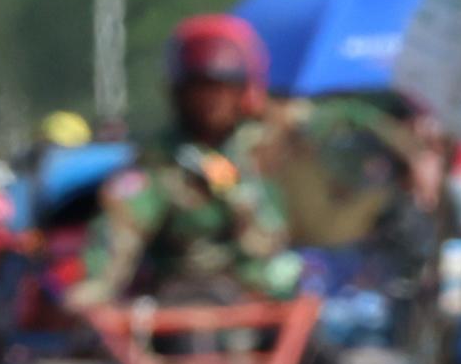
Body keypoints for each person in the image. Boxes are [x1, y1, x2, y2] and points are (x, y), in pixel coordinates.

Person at [71, 18, 302, 316]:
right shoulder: (160, 164)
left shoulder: (261, 154)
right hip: (182, 300)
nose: (211, 100)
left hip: (259, 300)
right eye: (200, 88)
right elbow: (120, 226)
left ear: (242, 92)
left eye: (222, 87)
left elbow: (274, 236)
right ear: (179, 93)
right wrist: (98, 285)